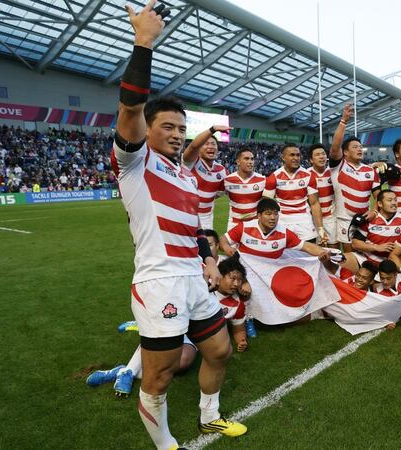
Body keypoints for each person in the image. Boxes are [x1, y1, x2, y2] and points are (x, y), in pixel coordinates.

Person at [110, 2, 245, 446]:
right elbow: (130, 108)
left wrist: (208, 260)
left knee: (220, 350)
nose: (176, 133)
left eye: (181, 128)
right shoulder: (135, 162)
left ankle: (209, 416)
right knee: (161, 376)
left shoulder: (183, 172)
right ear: (147, 131)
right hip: (160, 282)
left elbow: (194, 228)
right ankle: (166, 444)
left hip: (193, 277)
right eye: (167, 126)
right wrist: (143, 42)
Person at [328, 104, 381, 252]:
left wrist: (374, 212)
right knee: (349, 254)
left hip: (366, 220)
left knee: (366, 253)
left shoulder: (370, 170)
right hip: (345, 220)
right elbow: (334, 147)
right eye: (355, 147)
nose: (359, 149)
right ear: (345, 152)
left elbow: (378, 196)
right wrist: (343, 121)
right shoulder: (339, 166)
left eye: (360, 146)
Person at [85, 337, 198, 398]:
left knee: (182, 363)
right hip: (168, 328)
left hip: (193, 334)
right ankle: (128, 372)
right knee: (154, 332)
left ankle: (121, 371)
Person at [221, 197, 329, 261]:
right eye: (268, 214)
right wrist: (226, 247)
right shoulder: (244, 228)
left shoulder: (284, 233)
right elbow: (224, 240)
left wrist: (322, 252)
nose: (273, 218)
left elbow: (306, 246)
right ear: (259, 216)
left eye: (275, 214)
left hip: (270, 275)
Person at [263, 144, 324, 243]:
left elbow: (315, 204)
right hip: (283, 222)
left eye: (298, 155)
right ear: (283, 157)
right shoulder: (274, 177)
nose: (296, 158)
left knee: (309, 255)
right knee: (284, 256)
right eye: (292, 155)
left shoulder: (308, 176)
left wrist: (320, 228)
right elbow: (266, 205)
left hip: (304, 222)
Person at [344, 189, 401, 272]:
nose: (394, 203)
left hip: (392, 264)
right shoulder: (370, 218)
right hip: (367, 260)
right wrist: (376, 247)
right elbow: (355, 244)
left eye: (395, 200)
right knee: (340, 260)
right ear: (380, 204)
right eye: (389, 200)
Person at [182, 126, 230, 230]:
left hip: (206, 219)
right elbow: (192, 147)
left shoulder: (222, 171)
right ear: (199, 148)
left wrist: (207, 199)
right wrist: (212, 129)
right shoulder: (191, 162)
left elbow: (220, 192)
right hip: (186, 214)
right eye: (206, 144)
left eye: (213, 144)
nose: (211, 146)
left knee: (208, 245)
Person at [213, 256, 250, 353]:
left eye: (239, 280)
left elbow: (238, 330)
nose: (236, 284)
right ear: (220, 275)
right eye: (233, 278)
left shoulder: (238, 304)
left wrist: (241, 341)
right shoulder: (204, 290)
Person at [223, 148, 266, 231]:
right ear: (238, 162)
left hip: (254, 224)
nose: (250, 162)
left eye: (252, 159)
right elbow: (214, 196)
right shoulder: (228, 180)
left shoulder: (262, 180)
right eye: (246, 159)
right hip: (234, 223)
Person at [308, 143, 338, 247]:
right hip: (313, 220)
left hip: (331, 218)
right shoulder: (306, 175)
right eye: (317, 155)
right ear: (311, 160)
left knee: (334, 250)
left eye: (323, 154)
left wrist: (373, 166)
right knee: (317, 252)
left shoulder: (334, 172)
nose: (321, 156)